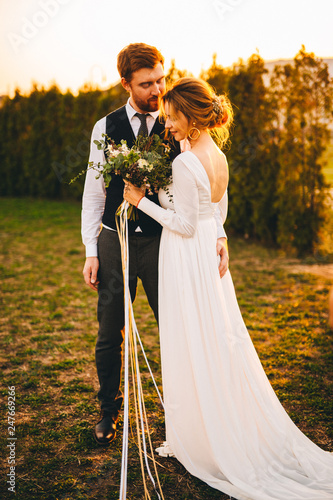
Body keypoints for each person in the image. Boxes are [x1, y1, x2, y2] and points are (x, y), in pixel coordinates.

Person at [124, 77, 333, 500]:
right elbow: (217, 210)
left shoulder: (185, 162)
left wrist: (140, 201)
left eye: (173, 115)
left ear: (191, 116)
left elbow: (182, 222)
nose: (168, 122)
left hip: (185, 255)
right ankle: (205, 428)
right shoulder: (215, 154)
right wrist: (220, 238)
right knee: (213, 338)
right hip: (206, 251)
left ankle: (197, 440)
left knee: (189, 339)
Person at [81, 44, 229, 446]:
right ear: (126, 83)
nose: (157, 89)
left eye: (161, 80)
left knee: (178, 328)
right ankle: (108, 412)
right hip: (115, 243)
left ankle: (184, 414)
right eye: (147, 83)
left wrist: (218, 232)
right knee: (110, 332)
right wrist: (91, 251)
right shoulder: (105, 127)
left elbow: (203, 191)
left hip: (166, 245)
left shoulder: (177, 124)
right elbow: (93, 195)